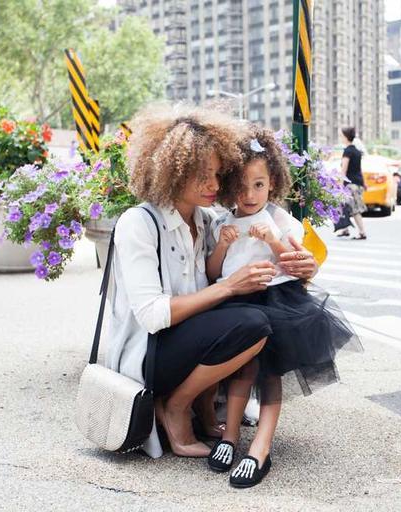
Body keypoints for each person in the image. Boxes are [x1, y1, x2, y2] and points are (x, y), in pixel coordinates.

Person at [104, 105, 318, 460]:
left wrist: (306, 266)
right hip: (148, 353)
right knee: (251, 322)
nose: (215, 186)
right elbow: (153, 316)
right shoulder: (137, 223)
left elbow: (257, 248)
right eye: (203, 175)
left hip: (189, 345)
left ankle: (204, 410)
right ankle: (175, 406)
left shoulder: (208, 222)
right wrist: (230, 286)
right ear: (173, 172)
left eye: (219, 175)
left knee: (256, 321)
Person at [205, 125, 362, 488]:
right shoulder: (224, 222)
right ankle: (230, 437)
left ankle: (261, 446)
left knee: (269, 372)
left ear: (272, 184)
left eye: (258, 185)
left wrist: (274, 241)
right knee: (240, 370)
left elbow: (297, 261)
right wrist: (223, 247)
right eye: (241, 186)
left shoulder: (280, 220)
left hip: (277, 302)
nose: (249, 194)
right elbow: (214, 272)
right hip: (236, 301)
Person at [337, 127, 368, 240]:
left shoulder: (348, 151)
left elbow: (343, 170)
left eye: (341, 136)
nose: (340, 138)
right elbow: (359, 169)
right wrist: (364, 183)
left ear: (345, 137)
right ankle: (345, 229)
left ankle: (362, 232)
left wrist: (340, 185)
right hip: (358, 183)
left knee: (354, 209)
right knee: (345, 206)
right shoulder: (357, 151)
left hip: (350, 184)